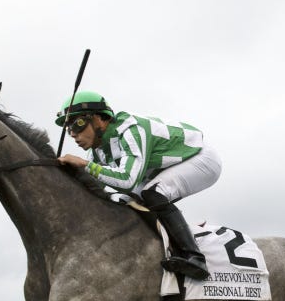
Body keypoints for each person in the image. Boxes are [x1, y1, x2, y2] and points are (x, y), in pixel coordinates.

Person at [55, 90, 221, 280]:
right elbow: (101, 190)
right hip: (160, 170)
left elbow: (127, 180)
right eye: (68, 129)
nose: (73, 134)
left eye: (78, 124)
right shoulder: (97, 152)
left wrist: (85, 166)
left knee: (153, 193)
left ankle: (195, 257)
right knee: (125, 203)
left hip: (201, 159)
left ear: (99, 119)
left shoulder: (131, 130)